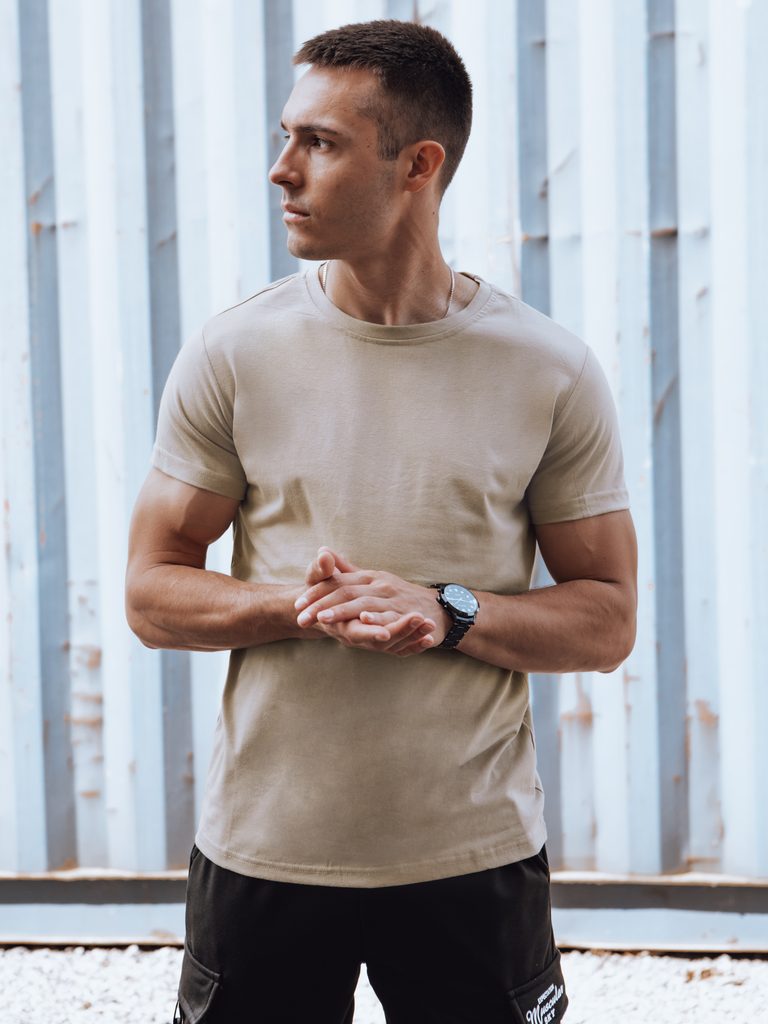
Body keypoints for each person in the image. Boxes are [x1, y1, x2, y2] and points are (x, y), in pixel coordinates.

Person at [125, 18, 637, 1024]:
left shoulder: (549, 370)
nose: (282, 170)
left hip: (473, 859)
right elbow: (150, 592)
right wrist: (297, 607)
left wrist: (448, 611)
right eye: (287, 137)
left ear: (418, 165)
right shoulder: (234, 353)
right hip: (265, 854)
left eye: (319, 143)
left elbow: (608, 619)